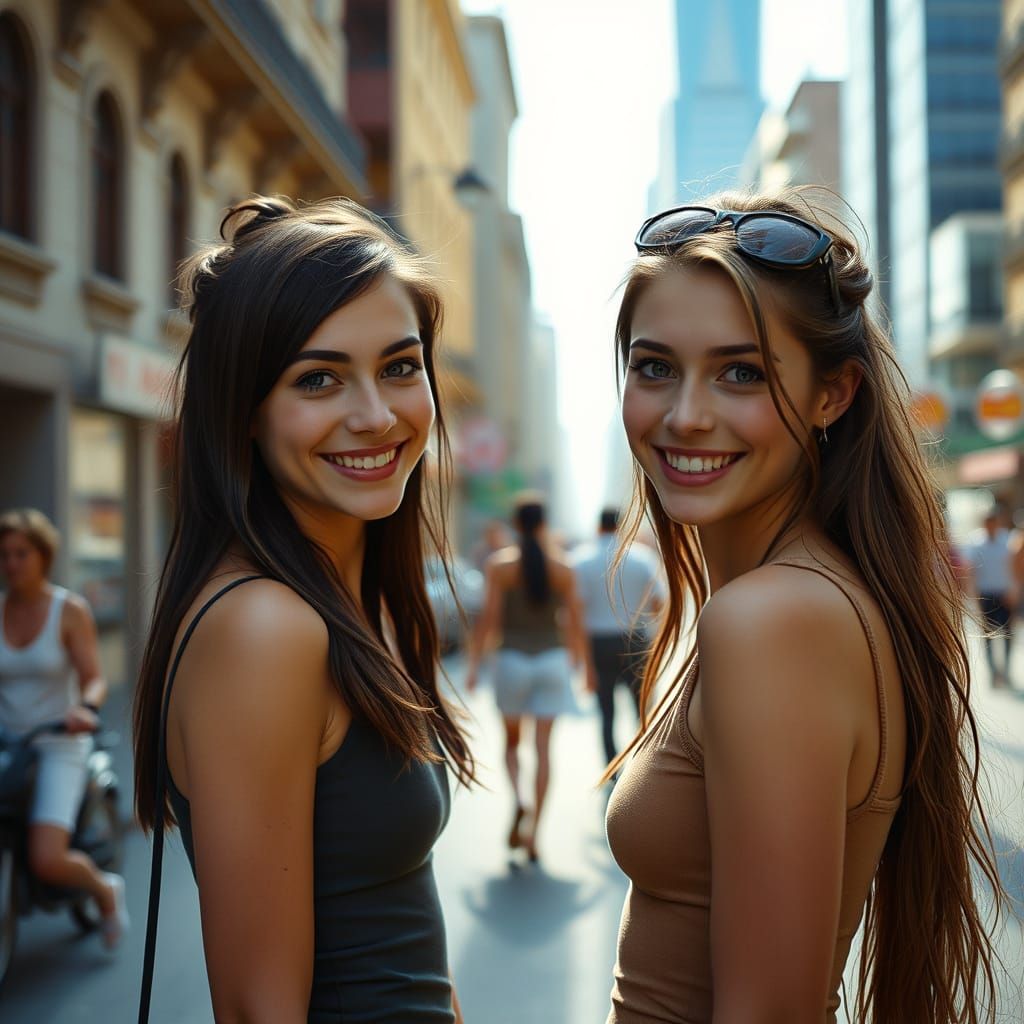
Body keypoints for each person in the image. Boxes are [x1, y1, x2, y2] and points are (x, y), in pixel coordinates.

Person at [604, 191, 1007, 1023]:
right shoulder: (781, 600)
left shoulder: (774, 620)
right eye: (654, 367)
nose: (685, 415)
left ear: (834, 394)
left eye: (740, 373)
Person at [132, 196, 475, 1023]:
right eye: (318, 379)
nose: (375, 414)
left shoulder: (345, 602)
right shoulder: (266, 629)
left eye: (399, 366)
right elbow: (258, 1011)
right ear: (244, 411)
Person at [0, 508, 128, 949]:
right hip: (8, 743)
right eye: (4, 556)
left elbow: (94, 678)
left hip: (59, 741)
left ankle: (104, 889)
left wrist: (86, 708)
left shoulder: (68, 610)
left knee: (47, 859)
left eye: (21, 553)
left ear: (43, 557)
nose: (12, 564)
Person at [464, 495, 594, 862]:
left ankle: (519, 800)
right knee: (544, 751)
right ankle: (535, 833)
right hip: (552, 661)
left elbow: (488, 619)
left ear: (516, 525)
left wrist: (475, 666)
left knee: (511, 743)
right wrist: (584, 667)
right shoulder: (564, 567)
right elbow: (575, 623)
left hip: (511, 662)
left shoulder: (500, 566)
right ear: (543, 524)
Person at [571, 507, 664, 764]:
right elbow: (659, 603)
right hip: (635, 638)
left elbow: (575, 614)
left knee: (606, 713)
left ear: (598, 527)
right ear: (621, 527)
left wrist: (583, 663)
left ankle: (611, 768)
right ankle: (643, 765)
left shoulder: (580, 560)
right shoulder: (643, 558)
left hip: (598, 643)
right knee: (642, 710)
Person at [965, 507, 1016, 688]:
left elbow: (1015, 568)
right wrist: (974, 599)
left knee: (1008, 635)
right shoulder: (976, 543)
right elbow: (972, 573)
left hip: (1005, 594)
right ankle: (993, 673)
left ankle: (1006, 671)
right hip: (986, 595)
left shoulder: (1008, 541)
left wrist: (1015, 590)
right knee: (988, 636)